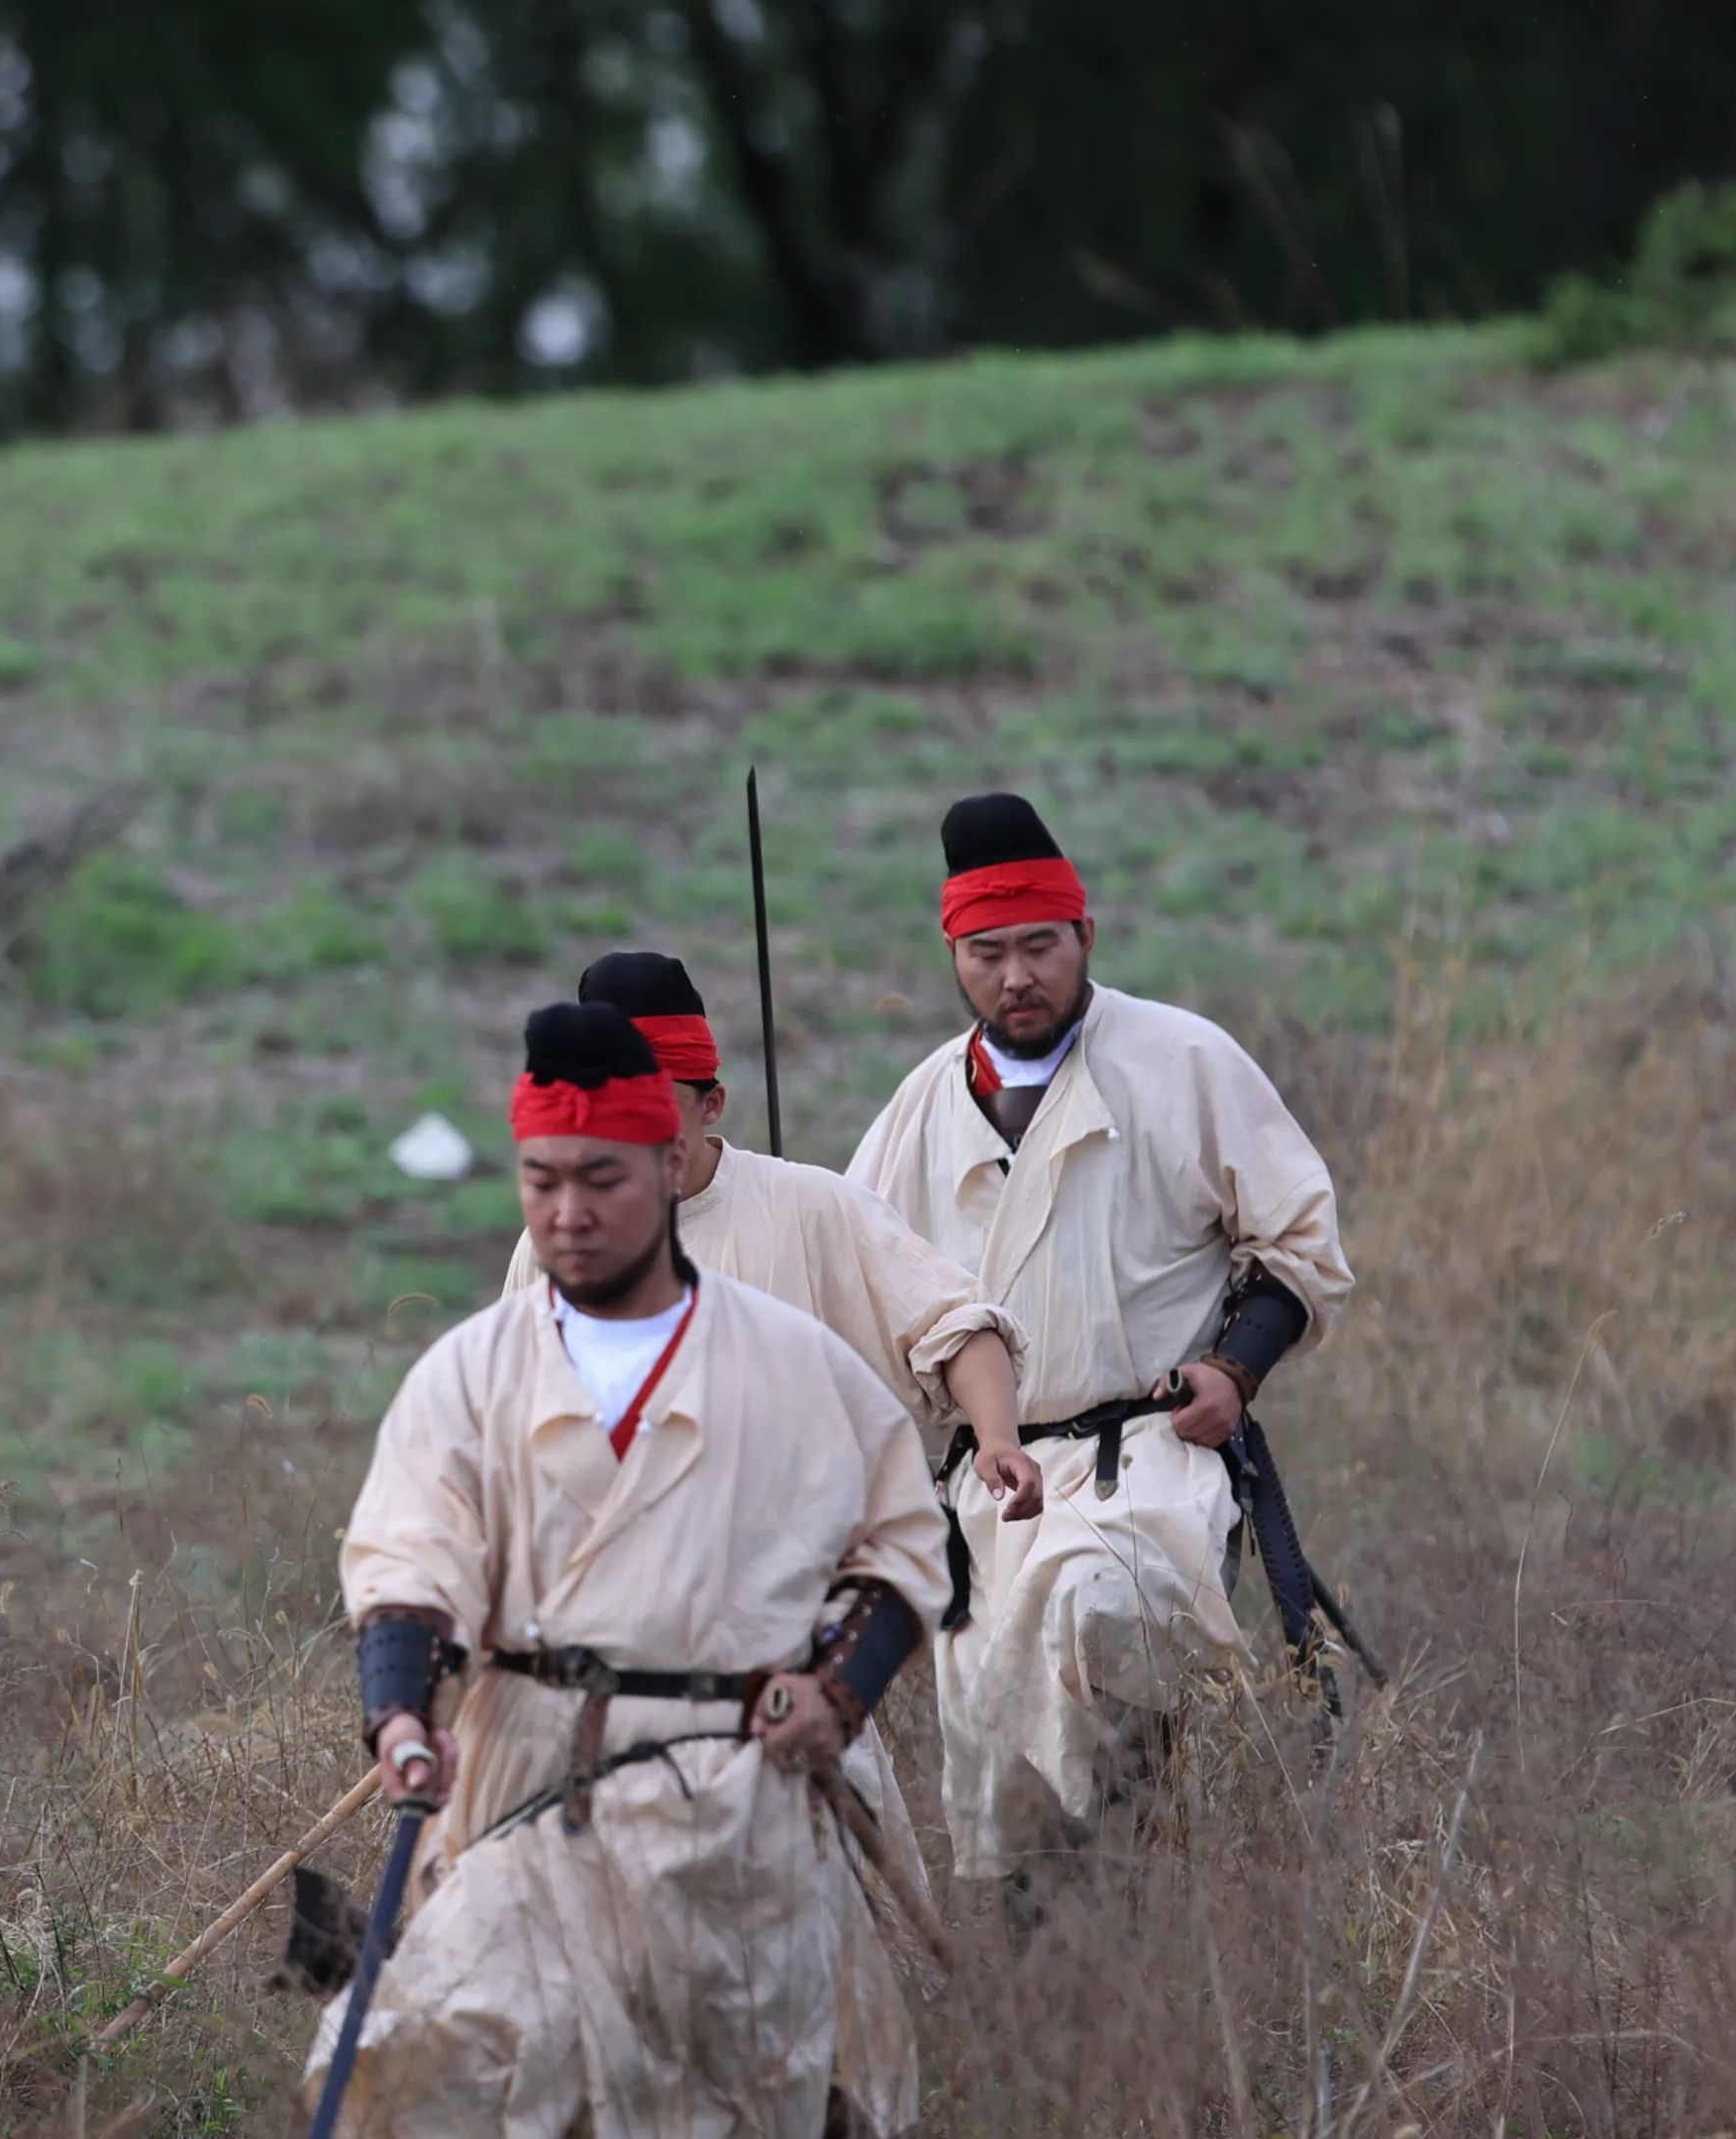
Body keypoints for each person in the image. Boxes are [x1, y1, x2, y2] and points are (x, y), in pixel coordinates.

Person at [312, 1003, 952, 2138]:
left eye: (600, 1179)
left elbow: (901, 1543)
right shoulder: (470, 1373)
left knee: (747, 2106)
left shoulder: (790, 1362)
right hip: (522, 1790)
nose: (568, 1213)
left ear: (667, 1167)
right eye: (542, 1180)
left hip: (734, 1799)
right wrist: (401, 1717)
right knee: (413, 2075)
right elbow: (409, 1555)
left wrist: (838, 1687)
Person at [493, 948, 1031, 2133]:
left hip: (796, 1651)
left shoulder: (812, 1210)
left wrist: (994, 1436)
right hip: (616, 1671)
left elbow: (954, 1324)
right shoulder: (553, 1252)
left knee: (860, 1952)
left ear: (708, 1103)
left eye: (658, 1116)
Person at [849, 793, 1352, 1890]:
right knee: (1003, 1773)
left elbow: (1297, 1245)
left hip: (1150, 1461)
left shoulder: (1183, 1061)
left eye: (1040, 946)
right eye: (988, 953)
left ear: (1087, 939)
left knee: (1102, 1622)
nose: (1016, 976)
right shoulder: (921, 1110)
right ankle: (1065, 2002)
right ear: (954, 956)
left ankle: (1124, 1921)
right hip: (991, 1481)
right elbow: (860, 1295)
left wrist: (1234, 1370)